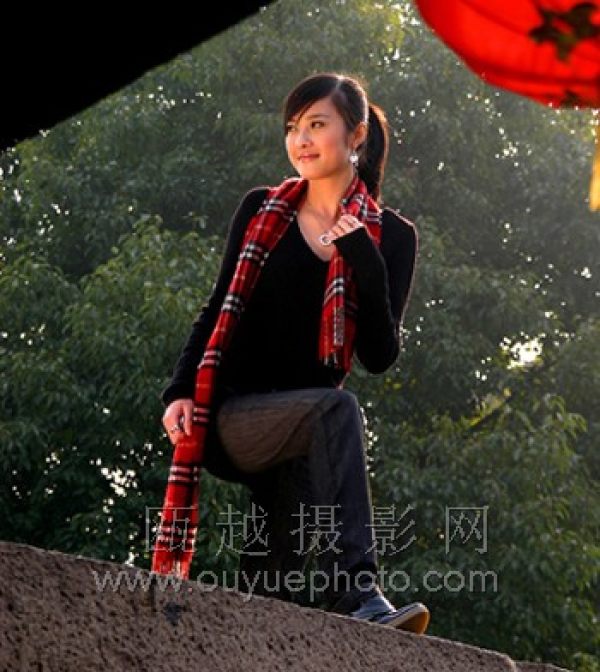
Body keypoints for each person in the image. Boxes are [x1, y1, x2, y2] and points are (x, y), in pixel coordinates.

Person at [155, 71, 428, 634]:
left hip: (306, 434)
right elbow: (217, 306)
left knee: (269, 592)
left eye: (317, 125)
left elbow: (379, 355)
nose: (301, 140)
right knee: (337, 409)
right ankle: (358, 591)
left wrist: (364, 260)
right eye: (293, 127)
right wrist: (179, 390)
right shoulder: (263, 210)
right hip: (232, 414)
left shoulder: (392, 238)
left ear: (355, 136)